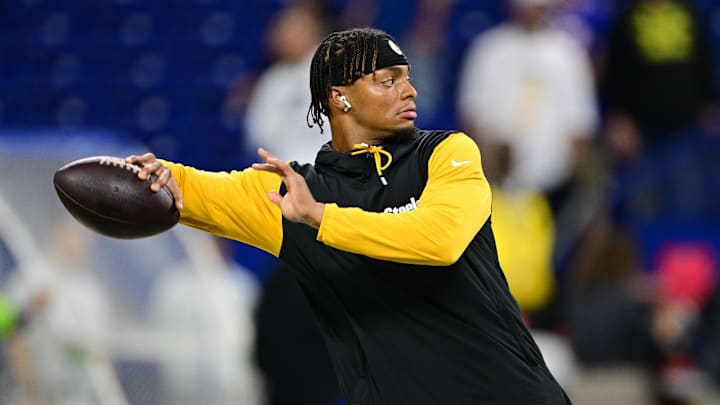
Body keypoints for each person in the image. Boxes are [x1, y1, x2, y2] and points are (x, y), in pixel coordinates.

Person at [127, 28, 571, 404]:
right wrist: (157, 176)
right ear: (340, 98)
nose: (409, 91)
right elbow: (193, 191)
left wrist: (322, 218)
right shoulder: (294, 195)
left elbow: (441, 239)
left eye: (407, 78)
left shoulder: (445, 154)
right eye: (388, 80)